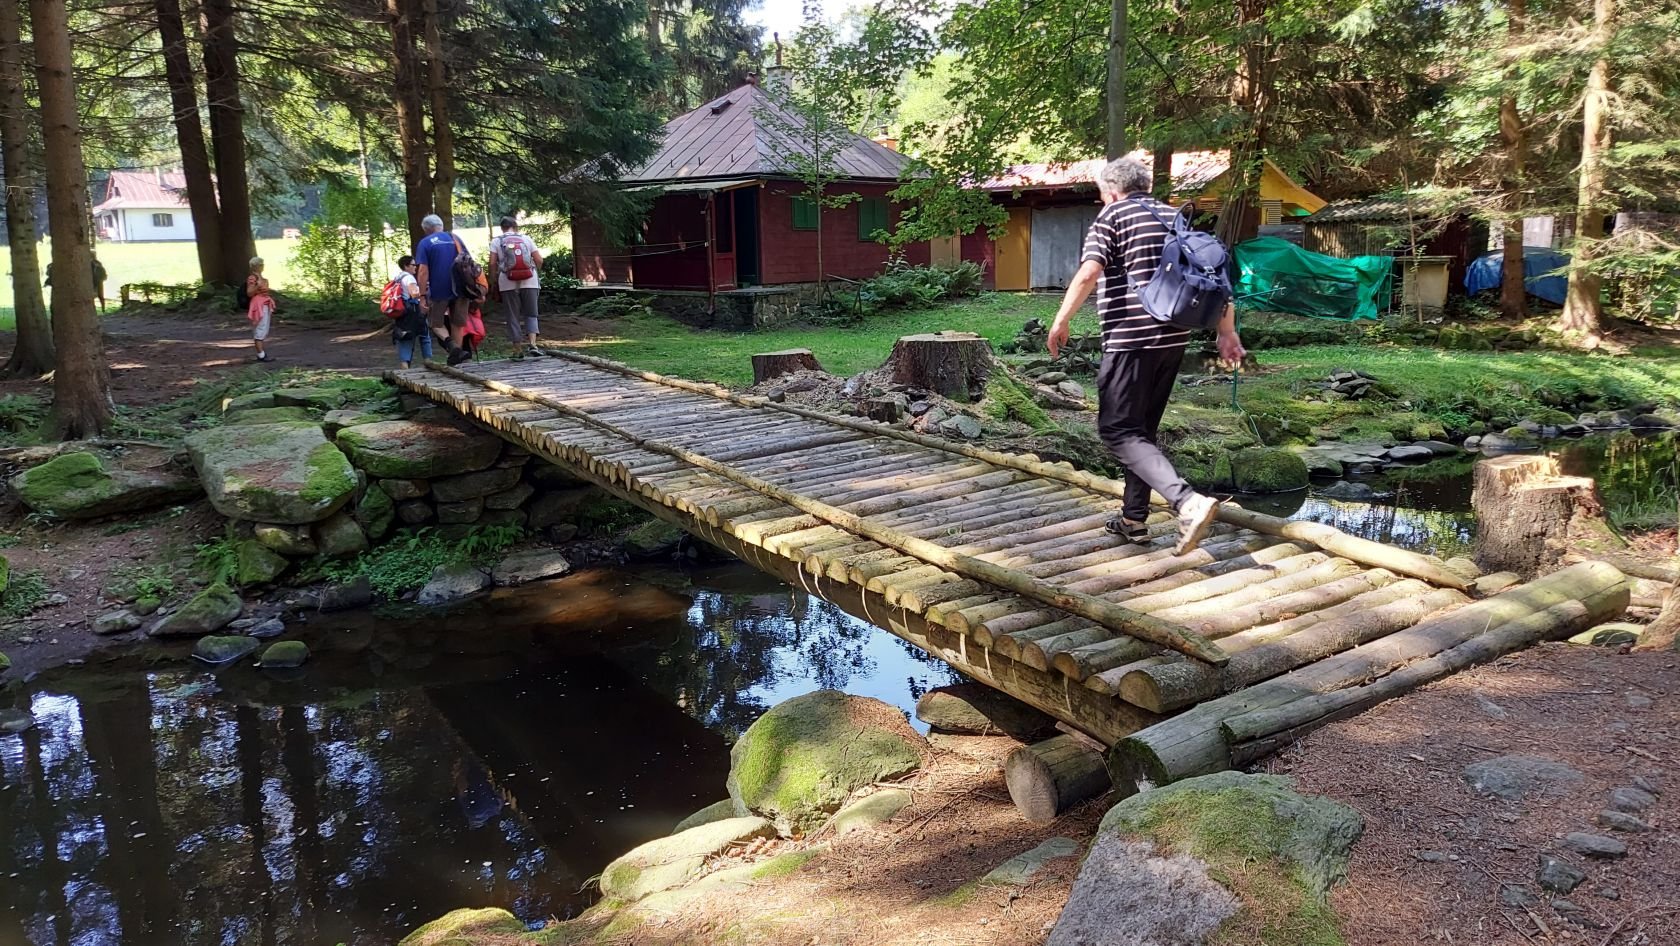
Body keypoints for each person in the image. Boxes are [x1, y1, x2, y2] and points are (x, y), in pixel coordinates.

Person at [1046, 156, 1246, 556]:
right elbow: (1214, 275)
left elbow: (1089, 272)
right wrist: (1227, 331)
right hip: (1173, 337)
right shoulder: (1174, 216)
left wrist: (1060, 320)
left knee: (1117, 430)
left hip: (1130, 339)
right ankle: (1133, 519)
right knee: (1141, 431)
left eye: (1102, 194)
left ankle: (1187, 502)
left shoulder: (1113, 216)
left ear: (1111, 191)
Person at [413, 213, 472, 365]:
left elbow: (423, 271)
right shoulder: (456, 238)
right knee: (457, 324)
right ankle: (457, 358)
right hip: (461, 288)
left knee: (435, 324)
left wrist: (422, 295)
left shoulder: (425, 243)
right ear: (441, 225)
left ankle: (453, 347)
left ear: (426, 229)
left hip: (439, 289)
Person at [488, 215, 544, 355]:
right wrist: (534, 271)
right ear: (515, 227)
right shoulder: (526, 239)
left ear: (502, 228)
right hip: (530, 280)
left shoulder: (496, 241)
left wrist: (493, 280)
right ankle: (533, 344)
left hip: (507, 282)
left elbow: (492, 263)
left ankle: (517, 349)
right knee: (531, 313)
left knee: (512, 315)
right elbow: (539, 260)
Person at [390, 254, 431, 368]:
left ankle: (404, 365)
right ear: (406, 266)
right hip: (413, 311)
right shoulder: (409, 278)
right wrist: (424, 290)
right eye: (413, 265)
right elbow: (414, 294)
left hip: (402, 311)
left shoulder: (397, 278)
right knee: (424, 335)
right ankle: (428, 361)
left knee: (405, 338)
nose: (415, 267)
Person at [246, 256, 276, 362]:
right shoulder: (253, 278)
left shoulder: (261, 278)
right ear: (256, 266)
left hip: (265, 304)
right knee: (260, 328)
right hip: (258, 305)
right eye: (261, 264)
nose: (262, 266)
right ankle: (261, 355)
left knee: (264, 328)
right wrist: (257, 286)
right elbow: (249, 293)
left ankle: (261, 353)